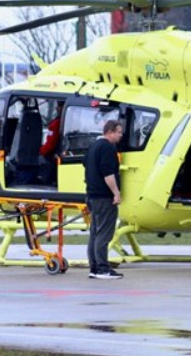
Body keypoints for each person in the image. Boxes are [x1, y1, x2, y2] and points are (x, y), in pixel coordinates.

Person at [84, 119, 124, 280]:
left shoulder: (93, 146)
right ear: (110, 132)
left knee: (94, 233)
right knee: (104, 234)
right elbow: (108, 173)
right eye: (119, 132)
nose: (121, 136)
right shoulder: (107, 147)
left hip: (92, 195)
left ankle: (94, 267)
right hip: (104, 196)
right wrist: (116, 193)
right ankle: (103, 268)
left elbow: (84, 163)